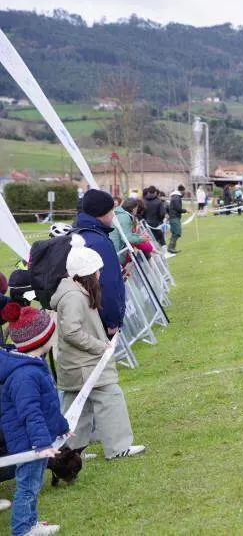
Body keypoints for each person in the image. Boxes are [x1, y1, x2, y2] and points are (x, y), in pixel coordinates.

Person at [51, 237, 145, 463]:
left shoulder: (74, 291)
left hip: (77, 364)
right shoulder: (73, 296)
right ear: (86, 274)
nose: (99, 275)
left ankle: (71, 452)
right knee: (110, 397)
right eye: (97, 272)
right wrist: (99, 346)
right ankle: (118, 446)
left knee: (77, 409)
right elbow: (72, 331)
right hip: (85, 363)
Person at [0, 304, 68, 536]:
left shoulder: (33, 366)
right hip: (29, 443)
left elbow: (48, 406)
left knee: (34, 483)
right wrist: (42, 444)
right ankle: (22, 529)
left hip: (38, 441)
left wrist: (62, 428)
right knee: (27, 486)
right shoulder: (24, 375)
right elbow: (31, 412)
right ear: (42, 340)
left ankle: (32, 523)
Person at [75, 189, 125, 335]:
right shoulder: (99, 242)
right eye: (111, 211)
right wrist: (113, 321)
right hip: (100, 321)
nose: (113, 216)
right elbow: (106, 283)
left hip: (85, 317)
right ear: (103, 213)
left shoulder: (79, 233)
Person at [109, 197, 149, 265]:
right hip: (117, 253)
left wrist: (139, 236)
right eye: (136, 208)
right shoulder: (124, 217)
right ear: (133, 208)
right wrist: (142, 238)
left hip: (113, 250)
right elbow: (127, 238)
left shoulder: (117, 214)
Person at [167, 185, 187, 254]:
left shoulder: (176, 197)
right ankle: (171, 248)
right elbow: (178, 209)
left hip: (174, 217)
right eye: (184, 191)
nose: (184, 193)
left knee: (176, 232)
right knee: (177, 232)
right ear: (181, 191)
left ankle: (172, 247)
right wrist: (186, 210)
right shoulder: (176, 197)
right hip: (174, 217)